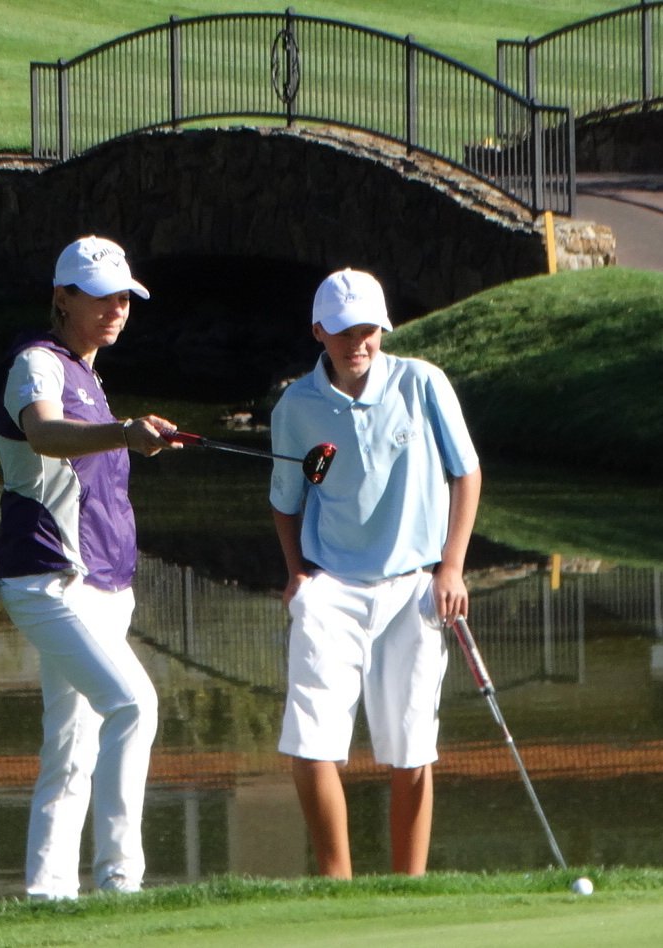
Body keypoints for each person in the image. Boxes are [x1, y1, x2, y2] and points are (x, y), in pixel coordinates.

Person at [0, 235, 182, 899]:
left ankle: (47, 894)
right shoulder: (37, 363)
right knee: (133, 705)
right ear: (62, 298)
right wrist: (123, 433)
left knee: (71, 745)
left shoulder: (86, 374)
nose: (116, 309)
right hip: (49, 580)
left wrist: (130, 435)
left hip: (101, 586)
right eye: (99, 297)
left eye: (124, 297)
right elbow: (42, 432)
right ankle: (121, 880)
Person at [269, 267, 482, 878]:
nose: (357, 343)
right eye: (343, 331)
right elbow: (287, 500)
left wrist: (452, 567)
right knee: (310, 742)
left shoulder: (422, 383)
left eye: (368, 329)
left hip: (415, 587)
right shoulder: (296, 406)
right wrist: (297, 575)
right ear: (318, 331)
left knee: (412, 750)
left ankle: (407, 889)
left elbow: (466, 474)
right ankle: (337, 886)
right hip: (331, 588)